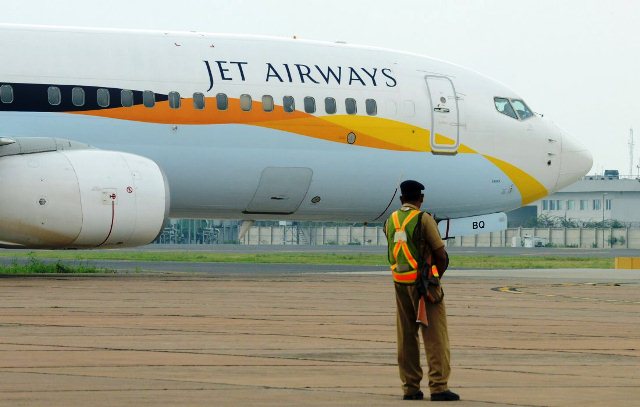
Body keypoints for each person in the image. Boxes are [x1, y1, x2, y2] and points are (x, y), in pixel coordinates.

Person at [385, 180, 460, 401]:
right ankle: (438, 386)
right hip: (424, 285)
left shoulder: (392, 220)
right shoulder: (423, 218)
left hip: (400, 283)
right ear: (421, 198)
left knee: (406, 336)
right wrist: (436, 277)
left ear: (401, 199)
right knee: (435, 336)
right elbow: (440, 254)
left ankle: (410, 388)